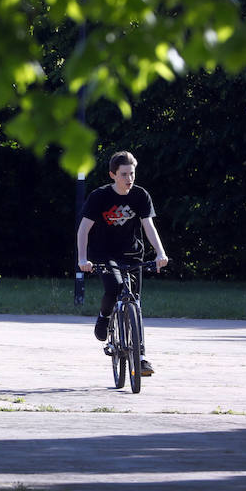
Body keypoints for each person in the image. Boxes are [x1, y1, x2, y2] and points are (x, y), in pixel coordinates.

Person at [76, 151, 170, 377]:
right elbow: (83, 229)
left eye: (132, 173)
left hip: (132, 254)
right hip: (104, 253)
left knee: (135, 303)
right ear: (113, 175)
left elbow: (148, 226)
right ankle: (105, 317)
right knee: (114, 287)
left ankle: (141, 357)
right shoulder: (99, 197)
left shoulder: (140, 195)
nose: (129, 179)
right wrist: (82, 259)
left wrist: (160, 253)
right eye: (124, 174)